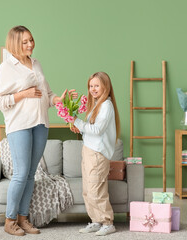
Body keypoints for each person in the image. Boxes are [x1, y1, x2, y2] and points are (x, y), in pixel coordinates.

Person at [0, 25, 77, 236]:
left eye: (31, 40)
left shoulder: (36, 64)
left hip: (40, 123)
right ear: (14, 44)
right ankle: (10, 221)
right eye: (25, 41)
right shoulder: (6, 68)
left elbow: (46, 93)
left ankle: (23, 218)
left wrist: (59, 99)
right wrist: (23, 94)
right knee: (20, 174)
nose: (30, 44)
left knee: (30, 175)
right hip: (19, 125)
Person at [70, 72, 121, 236]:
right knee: (88, 189)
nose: (93, 89)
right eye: (91, 86)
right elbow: (90, 129)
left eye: (96, 86)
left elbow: (97, 130)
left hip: (98, 153)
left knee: (96, 189)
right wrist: (79, 125)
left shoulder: (106, 105)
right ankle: (95, 220)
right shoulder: (97, 104)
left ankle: (107, 222)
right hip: (89, 150)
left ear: (105, 86)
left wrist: (76, 120)